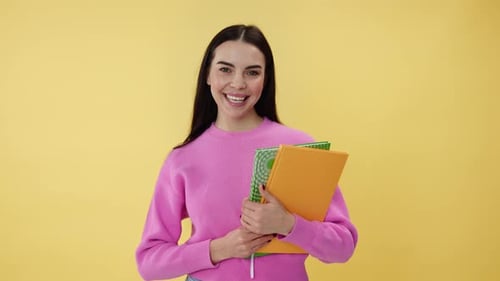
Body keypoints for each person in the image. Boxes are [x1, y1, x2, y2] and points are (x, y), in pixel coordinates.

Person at [135, 24, 358, 281]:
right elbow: (149, 263)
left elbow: (343, 248)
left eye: (252, 72)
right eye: (225, 69)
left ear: (266, 79)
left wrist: (289, 225)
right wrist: (219, 249)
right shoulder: (183, 159)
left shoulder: (300, 148)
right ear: (208, 74)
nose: (238, 83)